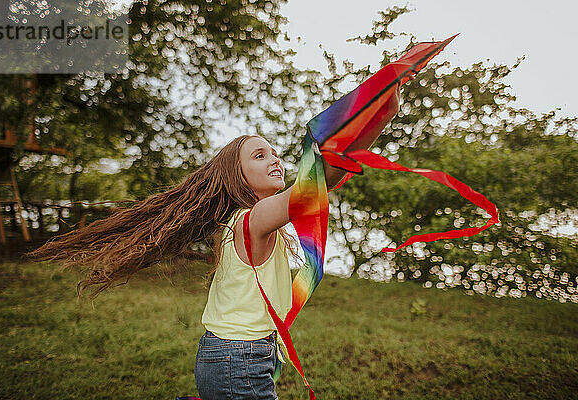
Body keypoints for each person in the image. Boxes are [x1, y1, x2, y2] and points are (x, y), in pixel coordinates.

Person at [28, 85, 400, 400]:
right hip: (238, 358)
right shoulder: (251, 221)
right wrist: (378, 114)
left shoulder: (252, 220)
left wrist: (381, 116)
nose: (274, 158)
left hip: (235, 355)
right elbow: (316, 183)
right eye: (259, 155)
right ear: (237, 178)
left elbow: (325, 174)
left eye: (274, 152)